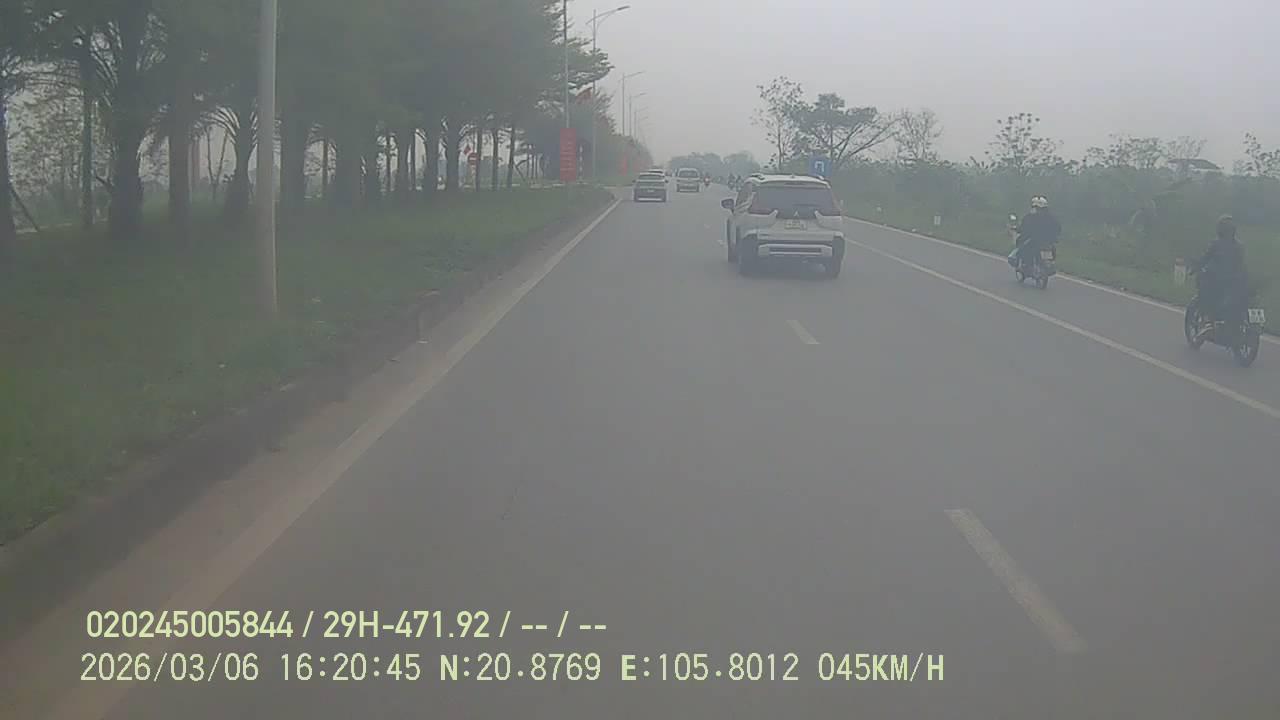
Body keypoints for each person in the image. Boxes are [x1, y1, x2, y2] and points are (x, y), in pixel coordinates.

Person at [1193, 215, 1248, 329]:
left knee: (1205, 288)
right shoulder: (1239, 246)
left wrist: (1197, 267)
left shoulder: (1216, 244)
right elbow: (1241, 265)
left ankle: (1210, 315)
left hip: (1220, 281)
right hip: (1235, 281)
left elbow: (1205, 258)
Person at [1012, 195, 1062, 270]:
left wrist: (1018, 230)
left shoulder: (1031, 217)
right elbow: (1058, 228)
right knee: (1023, 244)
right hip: (1046, 241)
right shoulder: (1051, 217)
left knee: (1022, 244)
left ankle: (1026, 263)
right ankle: (1025, 263)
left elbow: (1023, 227)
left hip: (1038, 241)